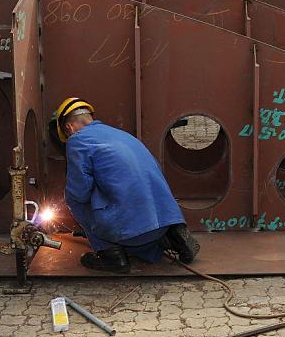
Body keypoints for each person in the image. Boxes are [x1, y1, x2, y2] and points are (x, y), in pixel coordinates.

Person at [50, 97, 199, 273]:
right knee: (143, 183)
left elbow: (80, 191)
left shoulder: (77, 140)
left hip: (133, 233)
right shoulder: (121, 135)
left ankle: (110, 254)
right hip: (163, 222)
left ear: (68, 128)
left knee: (75, 198)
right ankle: (174, 234)